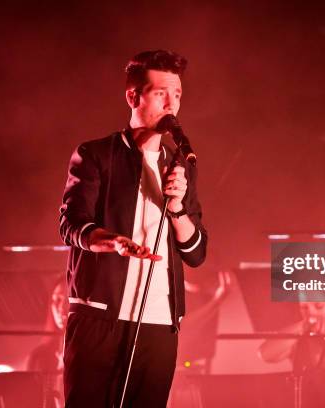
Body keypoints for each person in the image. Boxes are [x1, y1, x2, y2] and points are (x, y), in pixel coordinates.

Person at [59, 49, 207, 408]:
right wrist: (114, 243)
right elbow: (71, 224)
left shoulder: (179, 165)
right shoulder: (96, 154)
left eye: (177, 94)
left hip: (160, 324)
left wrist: (176, 210)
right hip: (101, 316)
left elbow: (196, 252)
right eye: (160, 93)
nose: (171, 103)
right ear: (133, 96)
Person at [258, 302, 325, 407]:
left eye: (319, 307)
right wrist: (303, 325)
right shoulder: (299, 336)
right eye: (304, 307)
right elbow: (264, 354)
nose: (311, 313)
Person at [26, 276, 69, 408]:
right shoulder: (39, 356)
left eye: (67, 299)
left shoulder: (92, 354)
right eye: (56, 300)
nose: (61, 308)